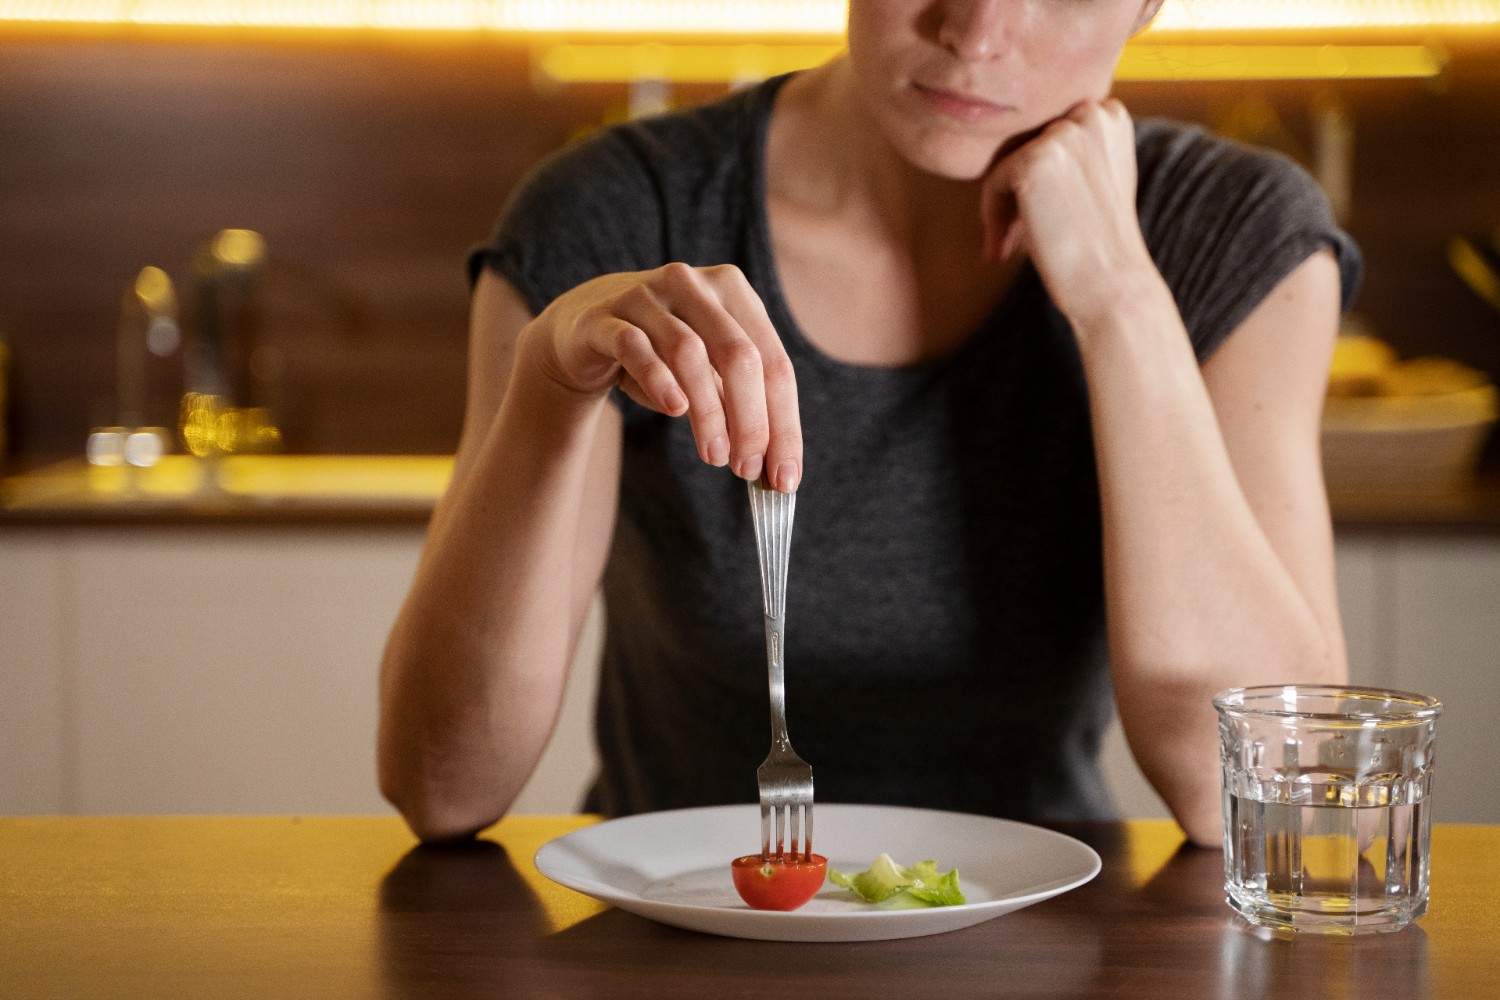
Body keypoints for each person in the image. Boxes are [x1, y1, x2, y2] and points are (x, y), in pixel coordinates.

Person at [377, 0, 1362, 848]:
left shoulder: (1232, 232)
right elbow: (444, 784)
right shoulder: (621, 212)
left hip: (1045, 947)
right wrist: (552, 380)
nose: (975, 32)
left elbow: (1268, 800)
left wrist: (1119, 300)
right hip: (671, 945)